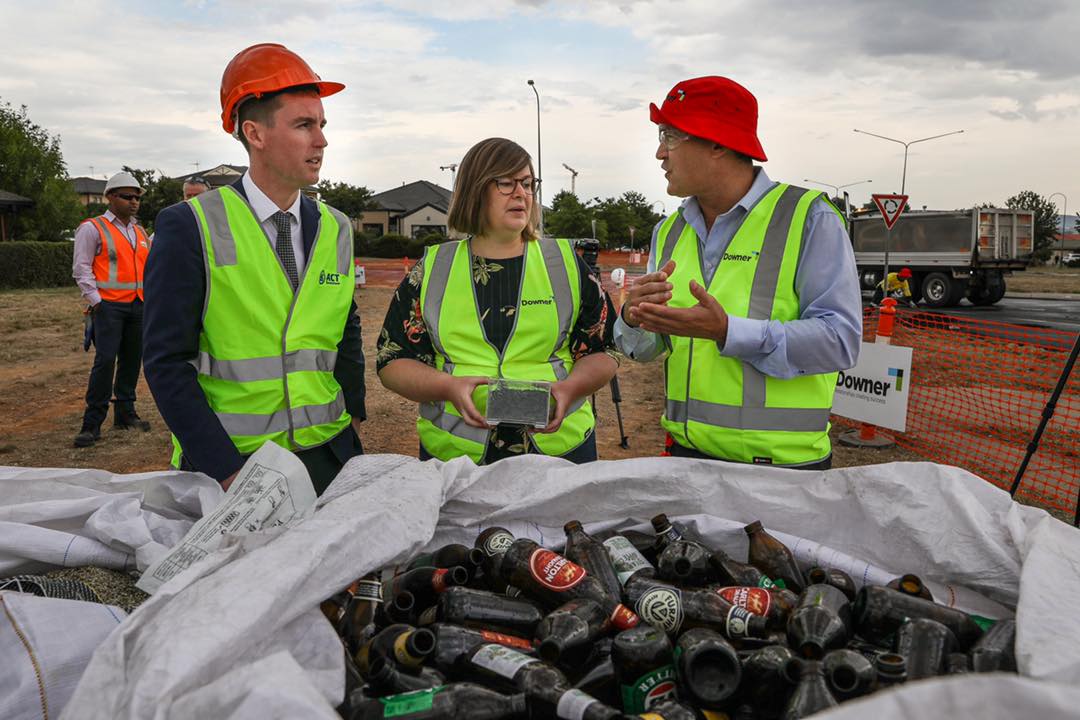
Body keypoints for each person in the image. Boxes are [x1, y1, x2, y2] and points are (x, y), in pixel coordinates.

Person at [143, 43, 365, 494]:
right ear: (255, 134)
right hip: (233, 461)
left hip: (330, 453)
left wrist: (353, 417)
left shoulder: (337, 227)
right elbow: (167, 362)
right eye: (304, 125)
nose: (321, 140)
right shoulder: (191, 225)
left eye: (321, 125)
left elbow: (346, 326)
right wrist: (225, 469)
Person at [615, 76, 863, 470]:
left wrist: (727, 332)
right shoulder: (668, 231)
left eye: (670, 136)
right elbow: (648, 349)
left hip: (781, 472)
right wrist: (632, 318)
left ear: (717, 142)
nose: (659, 153)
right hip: (685, 459)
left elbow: (841, 341)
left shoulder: (808, 218)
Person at [377, 137, 618, 464]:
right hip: (456, 459)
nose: (521, 193)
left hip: (560, 454)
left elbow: (604, 350)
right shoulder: (432, 270)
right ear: (475, 189)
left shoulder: (567, 265)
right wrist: (447, 387)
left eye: (528, 183)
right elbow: (392, 361)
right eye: (506, 183)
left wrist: (571, 388)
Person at [71, 171, 154, 447]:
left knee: (132, 361)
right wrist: (97, 301)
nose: (134, 202)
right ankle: (91, 423)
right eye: (127, 196)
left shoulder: (140, 232)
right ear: (110, 197)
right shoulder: (92, 228)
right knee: (105, 362)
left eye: (137, 197)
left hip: (138, 305)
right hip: (109, 306)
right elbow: (81, 269)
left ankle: (125, 414)